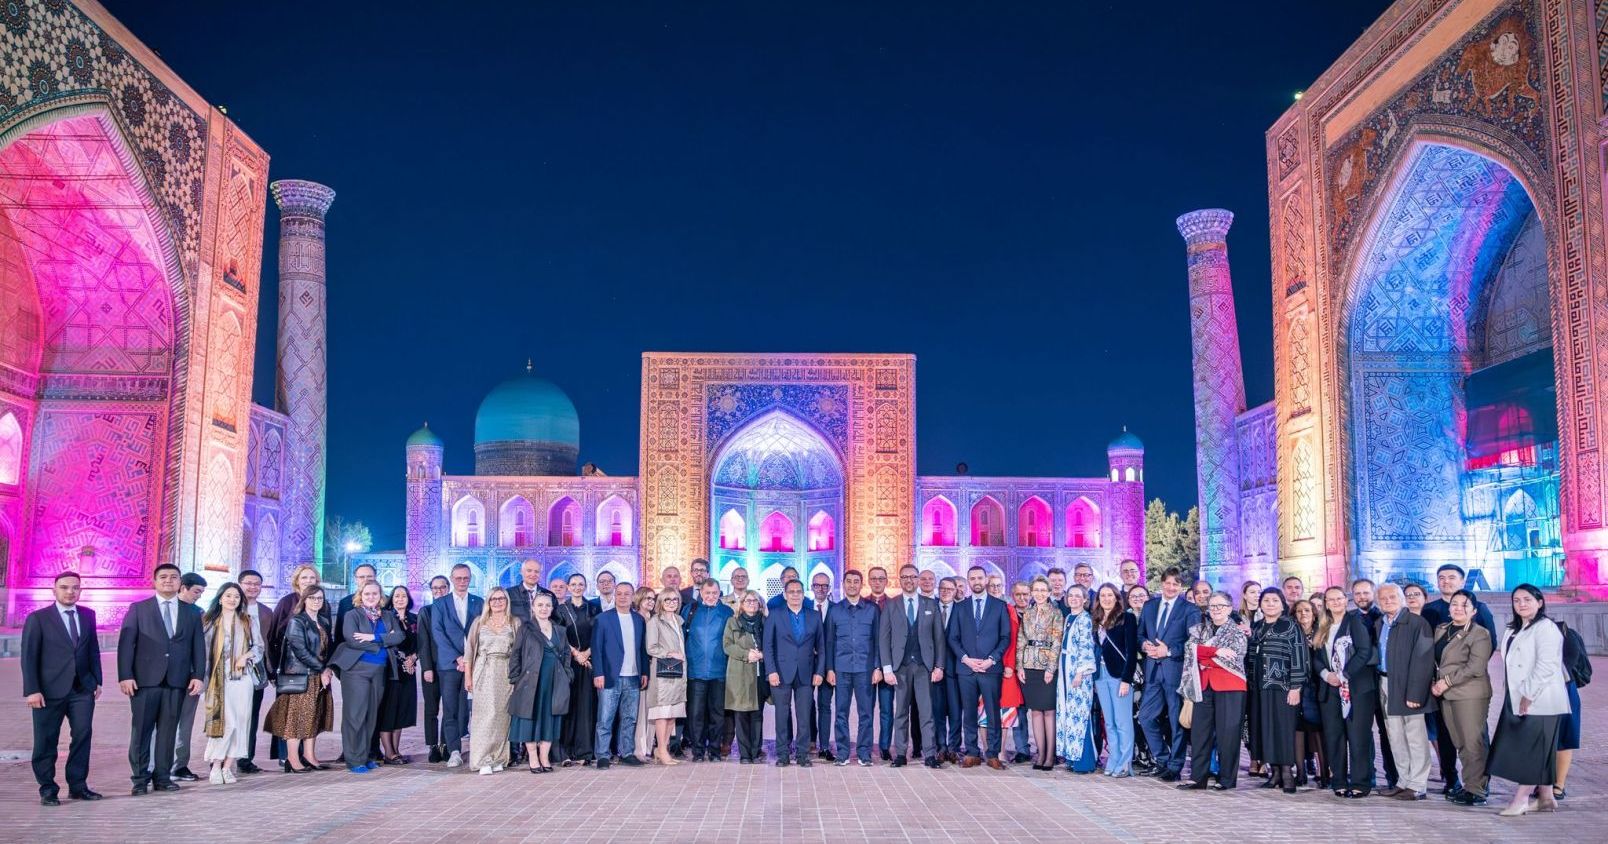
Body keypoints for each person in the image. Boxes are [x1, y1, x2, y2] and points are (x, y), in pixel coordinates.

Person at [119, 564, 205, 795]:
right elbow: (127, 645)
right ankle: (139, 778)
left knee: (168, 732)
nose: (169, 580)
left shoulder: (191, 613)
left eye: (174, 577)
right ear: (155, 581)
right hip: (144, 681)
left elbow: (198, 647)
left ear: (180, 583)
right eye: (164, 577)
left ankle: (163, 777)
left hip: (176, 682)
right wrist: (125, 675)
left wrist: (198, 676)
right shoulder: (139, 609)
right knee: (142, 732)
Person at [1488, 584, 1568, 817]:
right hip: (1518, 696)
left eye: (1527, 599)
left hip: (1540, 699)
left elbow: (1547, 665)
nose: (1521, 604)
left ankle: (1521, 798)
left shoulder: (1546, 628)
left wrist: (1528, 694)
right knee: (1537, 748)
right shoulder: (1514, 629)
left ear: (1540, 602)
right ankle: (1546, 797)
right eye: (1517, 600)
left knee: (1531, 750)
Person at [23, 571, 102, 805]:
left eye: (75, 588)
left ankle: (78, 786)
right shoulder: (38, 618)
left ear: (80, 590)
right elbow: (29, 657)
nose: (70, 592)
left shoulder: (88, 615)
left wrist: (96, 680)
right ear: (54, 590)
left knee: (82, 735)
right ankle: (47, 788)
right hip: (48, 691)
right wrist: (31, 690)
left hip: (82, 689)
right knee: (46, 740)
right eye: (65, 587)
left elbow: (93, 650)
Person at [1421, 563, 1497, 796]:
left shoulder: (1480, 618)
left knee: (1473, 739)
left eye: (1452, 577)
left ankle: (1478, 786)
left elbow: (1484, 652)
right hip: (1442, 691)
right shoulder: (1436, 618)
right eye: (1441, 577)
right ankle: (1453, 780)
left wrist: (1452, 679)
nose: (1446, 581)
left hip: (1467, 690)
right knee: (1449, 737)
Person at [1178, 591, 1247, 791]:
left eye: (1220, 606)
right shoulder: (1200, 629)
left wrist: (1204, 652)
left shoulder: (1237, 632)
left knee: (1228, 734)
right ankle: (1197, 778)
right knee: (1200, 733)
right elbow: (1190, 651)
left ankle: (1226, 779)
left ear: (1229, 608)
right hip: (1203, 686)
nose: (1216, 610)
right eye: (1212, 606)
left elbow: (1233, 656)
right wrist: (1215, 651)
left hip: (1230, 686)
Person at [330, 581, 402, 774]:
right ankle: (354, 760)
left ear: (381, 596)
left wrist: (374, 638)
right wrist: (383, 643)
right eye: (367, 593)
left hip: (379, 670)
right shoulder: (352, 615)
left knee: (371, 715)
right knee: (356, 714)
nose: (371, 597)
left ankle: (366, 756)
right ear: (360, 595)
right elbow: (352, 639)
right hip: (356, 671)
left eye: (375, 594)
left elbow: (399, 636)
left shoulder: (387, 616)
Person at [879, 564, 946, 769]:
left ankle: (930, 754)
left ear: (918, 580)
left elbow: (939, 639)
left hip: (924, 667)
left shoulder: (930, 604)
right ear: (899, 580)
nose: (909, 580)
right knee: (900, 712)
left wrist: (939, 666)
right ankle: (900, 753)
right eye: (905, 577)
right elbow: (884, 638)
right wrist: (887, 669)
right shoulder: (892, 605)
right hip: (900, 667)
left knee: (926, 712)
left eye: (913, 577)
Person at [1315, 585, 1379, 798]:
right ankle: (1339, 780)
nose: (1335, 603)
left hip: (1356, 688)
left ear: (1345, 600)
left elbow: (1364, 652)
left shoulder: (1355, 623)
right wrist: (1326, 675)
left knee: (1358, 736)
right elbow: (1315, 657)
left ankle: (1361, 782)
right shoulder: (1322, 626)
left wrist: (1344, 675)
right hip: (1330, 689)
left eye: (1339, 599)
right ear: (1326, 603)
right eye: (1330, 599)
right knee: (1334, 736)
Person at [1374, 582, 1436, 800]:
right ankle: (1403, 781)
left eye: (1392, 597)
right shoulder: (1380, 624)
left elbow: (1424, 659)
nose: (1388, 601)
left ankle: (1418, 785)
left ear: (1401, 599)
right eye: (1383, 598)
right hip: (1385, 684)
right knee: (1395, 736)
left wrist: (1415, 693)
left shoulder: (1418, 623)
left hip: (1409, 687)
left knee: (1415, 737)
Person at [1137, 567, 1199, 781]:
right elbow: (1140, 634)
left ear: (1180, 587)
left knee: (1176, 721)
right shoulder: (1149, 606)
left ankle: (1175, 766)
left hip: (1176, 672)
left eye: (1176, 584)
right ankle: (1162, 758)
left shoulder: (1189, 610)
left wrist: (1169, 650)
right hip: (1153, 671)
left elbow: (1193, 643)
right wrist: (1144, 645)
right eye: (1168, 583)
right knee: (1145, 717)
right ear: (1162, 583)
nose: (1171, 587)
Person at [264, 585, 333, 774]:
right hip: (300, 675)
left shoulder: (324, 621)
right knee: (296, 718)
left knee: (313, 716)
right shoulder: (297, 621)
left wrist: (327, 668)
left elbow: (328, 648)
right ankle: (292, 759)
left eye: (320, 598)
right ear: (304, 600)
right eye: (312, 598)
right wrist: (322, 669)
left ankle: (310, 756)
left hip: (318, 677)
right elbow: (301, 651)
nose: (316, 601)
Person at [949, 565, 1010, 770]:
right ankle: (972, 752)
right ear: (968, 582)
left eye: (979, 578)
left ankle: (992, 753)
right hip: (966, 669)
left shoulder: (999, 606)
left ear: (985, 580)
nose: (976, 581)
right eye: (972, 578)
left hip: (990, 669)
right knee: (969, 713)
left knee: (993, 712)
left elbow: (1005, 638)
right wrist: (966, 659)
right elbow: (953, 638)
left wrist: (991, 659)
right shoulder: (960, 607)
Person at [200, 582, 261, 785]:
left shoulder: (247, 621)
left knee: (241, 724)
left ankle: (228, 766)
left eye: (236, 596)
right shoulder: (209, 622)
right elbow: (202, 653)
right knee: (226, 723)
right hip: (218, 680)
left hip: (241, 679)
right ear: (220, 598)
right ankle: (216, 766)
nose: (232, 599)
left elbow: (259, 647)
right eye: (228, 596)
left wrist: (246, 656)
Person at [1247, 588, 1307, 793]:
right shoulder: (1256, 627)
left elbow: (1299, 656)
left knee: (1282, 729)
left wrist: (1296, 687)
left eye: (1274, 600)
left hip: (1282, 686)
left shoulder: (1290, 626)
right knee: (1264, 728)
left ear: (1282, 604)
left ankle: (1287, 773)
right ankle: (1274, 773)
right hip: (1259, 687)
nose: (1270, 604)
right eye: (1266, 600)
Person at [508, 592, 571, 773]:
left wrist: (567, 675)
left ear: (552, 608)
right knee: (530, 718)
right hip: (531, 681)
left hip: (554, 680)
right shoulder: (526, 629)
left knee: (550, 718)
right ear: (533, 608)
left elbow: (566, 655)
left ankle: (545, 757)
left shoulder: (560, 630)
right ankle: (533, 758)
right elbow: (516, 655)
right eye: (540, 605)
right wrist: (515, 678)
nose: (544, 609)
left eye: (547, 605)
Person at [764, 579, 825, 766]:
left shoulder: (814, 616)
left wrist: (819, 672)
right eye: (791, 591)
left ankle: (802, 754)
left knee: (804, 715)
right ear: (785, 594)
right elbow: (768, 645)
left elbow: (821, 647)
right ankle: (782, 754)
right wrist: (771, 671)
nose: (795, 595)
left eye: (799, 591)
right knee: (782, 715)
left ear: (803, 594)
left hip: (806, 673)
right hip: (781, 673)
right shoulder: (775, 614)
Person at [429, 564, 484, 768]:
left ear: (470, 579)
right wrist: (458, 658)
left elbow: (482, 632)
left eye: (466, 578)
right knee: (451, 708)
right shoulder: (440, 604)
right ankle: (454, 750)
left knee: (472, 709)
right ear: (452, 579)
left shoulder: (478, 602)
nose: (462, 581)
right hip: (450, 665)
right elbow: (438, 633)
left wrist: (469, 658)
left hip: (474, 664)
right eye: (459, 578)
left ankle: (479, 748)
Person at [591, 580, 648, 770]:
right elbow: (596, 649)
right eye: (620, 593)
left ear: (633, 597)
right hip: (609, 676)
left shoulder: (638, 619)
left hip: (633, 676)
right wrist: (598, 673)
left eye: (627, 594)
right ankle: (602, 755)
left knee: (630, 717)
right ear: (615, 595)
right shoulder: (603, 619)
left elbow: (641, 649)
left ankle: (627, 752)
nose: (623, 597)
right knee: (605, 718)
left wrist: (644, 672)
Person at [825, 569, 880, 766]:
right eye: (848, 581)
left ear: (861, 584)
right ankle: (843, 753)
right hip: (841, 668)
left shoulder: (872, 610)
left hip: (865, 669)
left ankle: (864, 753)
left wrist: (877, 667)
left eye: (856, 582)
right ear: (844, 583)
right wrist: (830, 669)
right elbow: (829, 642)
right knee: (841, 712)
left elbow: (878, 641)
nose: (852, 585)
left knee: (866, 713)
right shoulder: (835, 610)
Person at [1351, 576, 1397, 793]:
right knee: (1363, 732)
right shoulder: (1349, 619)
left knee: (1388, 731)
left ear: (1374, 595)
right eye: (1358, 593)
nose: (1362, 597)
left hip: (1384, 680)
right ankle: (1367, 776)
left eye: (1366, 593)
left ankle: (1393, 776)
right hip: (1361, 683)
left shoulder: (1386, 617)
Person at [464, 587, 518, 775]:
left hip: (505, 671)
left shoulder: (514, 622)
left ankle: (499, 758)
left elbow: (518, 651)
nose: (497, 602)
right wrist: (468, 677)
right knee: (484, 716)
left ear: (506, 601)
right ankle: (482, 759)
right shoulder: (479, 623)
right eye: (493, 599)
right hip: (484, 670)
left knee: (502, 716)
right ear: (488, 601)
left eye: (501, 598)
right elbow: (469, 652)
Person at [1091, 583, 1138, 776]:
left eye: (1110, 595)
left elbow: (1131, 651)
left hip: (1119, 676)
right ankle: (1114, 757)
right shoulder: (1096, 620)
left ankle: (1125, 762)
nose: (1106, 598)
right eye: (1103, 595)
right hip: (1101, 675)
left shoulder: (1127, 618)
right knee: (1109, 721)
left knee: (1122, 720)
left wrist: (1126, 679)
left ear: (1117, 597)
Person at [1016, 577, 1062, 771]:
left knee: (1049, 712)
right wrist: (1019, 666)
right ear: (1032, 592)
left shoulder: (1056, 613)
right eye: (1036, 590)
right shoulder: (1027, 612)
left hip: (1046, 668)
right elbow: (1021, 639)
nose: (1040, 593)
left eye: (1044, 590)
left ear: (1049, 592)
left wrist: (1051, 668)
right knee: (1035, 712)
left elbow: (1057, 642)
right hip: (1029, 666)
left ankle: (1050, 755)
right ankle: (1040, 753)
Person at [684, 578, 732, 761]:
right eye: (707, 593)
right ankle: (697, 751)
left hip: (719, 671)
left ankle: (714, 751)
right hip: (695, 671)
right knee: (696, 713)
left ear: (719, 593)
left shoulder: (726, 612)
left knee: (717, 714)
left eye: (714, 593)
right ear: (701, 593)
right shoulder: (690, 610)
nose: (711, 596)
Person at [168, 571, 207, 783]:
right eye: (196, 591)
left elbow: (200, 648)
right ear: (183, 587)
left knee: (185, 723)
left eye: (201, 592)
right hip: (163, 677)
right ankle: (157, 766)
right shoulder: (161, 609)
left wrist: (198, 675)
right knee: (162, 723)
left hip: (190, 678)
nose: (198, 595)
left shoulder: (196, 612)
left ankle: (179, 765)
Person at [554, 574, 598, 766]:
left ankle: (585, 751)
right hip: (569, 664)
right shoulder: (560, 610)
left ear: (586, 586)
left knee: (587, 707)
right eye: (574, 584)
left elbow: (599, 635)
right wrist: (576, 654)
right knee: (569, 706)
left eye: (581, 584)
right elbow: (559, 635)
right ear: (568, 588)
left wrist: (587, 653)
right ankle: (566, 751)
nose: (577, 587)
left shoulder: (594, 608)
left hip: (589, 664)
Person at [723, 590, 768, 763]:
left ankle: (756, 752)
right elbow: (727, 646)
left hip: (759, 675)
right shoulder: (733, 622)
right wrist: (746, 654)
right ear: (741, 604)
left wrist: (763, 654)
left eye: (755, 601)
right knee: (741, 715)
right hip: (739, 674)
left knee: (757, 715)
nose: (751, 603)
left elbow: (772, 643)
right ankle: (745, 754)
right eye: (747, 600)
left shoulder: (765, 623)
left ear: (759, 604)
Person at [645, 588, 688, 765]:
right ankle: (661, 750)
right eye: (667, 599)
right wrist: (670, 653)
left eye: (675, 599)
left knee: (673, 714)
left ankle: (663, 748)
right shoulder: (655, 621)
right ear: (660, 601)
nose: (672, 602)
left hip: (679, 673)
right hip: (663, 674)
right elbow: (651, 647)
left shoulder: (679, 620)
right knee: (662, 714)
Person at [1056, 588, 1098, 773]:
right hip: (1065, 669)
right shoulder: (1068, 618)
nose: (1073, 599)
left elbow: (1086, 647)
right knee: (1068, 714)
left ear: (1084, 600)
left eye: (1077, 596)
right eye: (1070, 595)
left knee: (1079, 715)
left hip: (1078, 673)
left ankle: (1084, 761)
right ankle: (1071, 757)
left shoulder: (1085, 619)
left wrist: (1080, 673)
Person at [986, 575, 1026, 764]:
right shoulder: (979, 608)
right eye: (991, 585)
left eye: (998, 586)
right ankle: (987, 750)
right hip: (984, 668)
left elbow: (1012, 639)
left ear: (1003, 588)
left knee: (1004, 712)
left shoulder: (1008, 609)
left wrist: (1009, 665)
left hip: (1005, 669)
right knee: (984, 712)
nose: (994, 589)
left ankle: (1000, 750)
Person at [377, 585, 419, 764]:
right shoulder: (385, 618)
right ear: (391, 599)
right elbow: (385, 643)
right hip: (391, 670)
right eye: (396, 596)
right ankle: (388, 752)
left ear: (408, 599)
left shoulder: (414, 619)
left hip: (408, 671)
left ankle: (396, 750)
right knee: (389, 711)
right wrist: (403, 660)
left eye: (403, 596)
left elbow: (421, 642)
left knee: (402, 710)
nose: (400, 599)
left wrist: (413, 658)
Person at [234, 570, 270, 774]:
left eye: (257, 584)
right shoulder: (228, 607)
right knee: (231, 715)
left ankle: (246, 758)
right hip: (232, 673)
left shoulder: (266, 612)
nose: (252, 587)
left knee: (251, 716)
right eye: (248, 583)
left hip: (256, 673)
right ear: (239, 584)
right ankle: (221, 757)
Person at [1291, 597, 1326, 787]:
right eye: (1299, 611)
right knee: (1298, 729)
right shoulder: (1292, 633)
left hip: (1318, 685)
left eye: (1307, 610)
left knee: (1318, 730)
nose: (1303, 614)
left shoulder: (1321, 633)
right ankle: (1301, 773)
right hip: (1297, 686)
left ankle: (1324, 773)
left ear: (1314, 614)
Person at [416, 575, 450, 763]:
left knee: (449, 708)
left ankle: (445, 744)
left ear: (448, 588)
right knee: (432, 708)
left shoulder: (454, 609)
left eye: (442, 588)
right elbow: (423, 642)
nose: (439, 591)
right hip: (432, 669)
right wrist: (427, 667)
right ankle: (432, 746)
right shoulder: (426, 612)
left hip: (451, 668)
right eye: (435, 588)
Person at [932, 577, 962, 763]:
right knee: (938, 710)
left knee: (956, 711)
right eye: (942, 588)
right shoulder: (930, 608)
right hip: (935, 669)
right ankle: (940, 747)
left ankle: (954, 747)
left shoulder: (962, 610)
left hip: (956, 669)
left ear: (955, 591)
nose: (945, 592)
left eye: (949, 589)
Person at [809, 571, 835, 760]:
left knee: (825, 706)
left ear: (829, 588)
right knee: (805, 705)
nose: (821, 589)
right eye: (817, 585)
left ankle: (824, 746)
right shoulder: (802, 608)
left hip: (829, 666)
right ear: (811, 587)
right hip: (805, 665)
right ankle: (809, 741)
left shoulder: (837, 609)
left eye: (825, 586)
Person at [631, 587, 658, 760]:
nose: (650, 601)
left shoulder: (656, 619)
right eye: (646, 598)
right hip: (640, 667)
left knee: (653, 709)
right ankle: (639, 748)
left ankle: (649, 746)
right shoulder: (635, 619)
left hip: (656, 667)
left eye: (652, 598)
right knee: (640, 710)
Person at [508, 559, 557, 624]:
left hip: (542, 633)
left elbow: (556, 619)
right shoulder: (509, 593)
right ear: (521, 572)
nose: (533, 574)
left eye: (536, 571)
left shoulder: (549, 595)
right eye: (529, 571)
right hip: (518, 633)